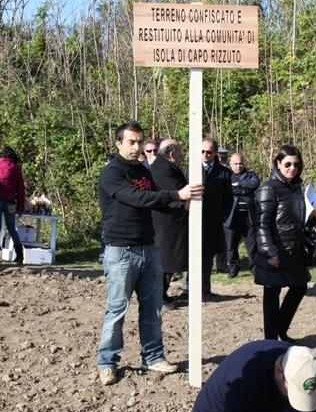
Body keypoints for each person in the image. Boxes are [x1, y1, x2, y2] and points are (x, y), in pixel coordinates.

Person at [96, 121, 203, 386]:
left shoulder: (144, 172)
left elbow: (155, 200)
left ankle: (153, 356)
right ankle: (107, 361)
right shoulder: (111, 173)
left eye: (139, 142)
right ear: (118, 143)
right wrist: (177, 194)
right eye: (131, 142)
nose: (136, 147)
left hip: (148, 247)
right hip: (121, 250)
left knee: (153, 308)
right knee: (117, 309)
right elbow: (136, 198)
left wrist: (183, 204)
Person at [253, 145, 311, 342]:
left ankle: (281, 330)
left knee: (300, 286)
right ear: (278, 163)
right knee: (271, 294)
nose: (292, 168)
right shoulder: (268, 188)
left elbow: (295, 216)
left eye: (296, 164)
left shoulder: (296, 187)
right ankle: (271, 340)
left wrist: (311, 215)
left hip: (294, 249)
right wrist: (269, 252)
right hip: (276, 249)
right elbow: (261, 224)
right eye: (287, 164)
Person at [149, 139, 189, 309]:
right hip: (167, 222)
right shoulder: (162, 169)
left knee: (171, 260)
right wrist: (185, 201)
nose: (181, 154)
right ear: (171, 153)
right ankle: (159, 298)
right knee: (166, 260)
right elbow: (174, 192)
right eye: (179, 151)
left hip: (173, 221)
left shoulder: (165, 166)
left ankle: (162, 294)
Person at [199, 137, 233, 298]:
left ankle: (205, 289)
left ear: (215, 153)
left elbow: (228, 199)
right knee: (190, 256)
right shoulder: (189, 170)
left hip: (213, 222)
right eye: (202, 151)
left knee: (207, 258)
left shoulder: (224, 173)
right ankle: (187, 288)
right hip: (192, 221)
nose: (205, 155)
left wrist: (223, 217)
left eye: (209, 152)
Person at [0, 146, 27, 265]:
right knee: (11, 228)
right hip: (10, 203)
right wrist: (21, 207)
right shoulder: (16, 169)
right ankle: (19, 255)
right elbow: (21, 190)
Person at [223, 152, 260, 278]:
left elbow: (254, 184)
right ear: (230, 164)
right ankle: (234, 267)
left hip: (248, 216)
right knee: (230, 244)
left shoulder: (251, 175)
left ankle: (255, 267)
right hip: (231, 215)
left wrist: (238, 186)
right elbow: (227, 189)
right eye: (236, 164)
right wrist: (244, 189)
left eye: (241, 163)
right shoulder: (226, 176)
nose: (239, 166)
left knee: (252, 244)